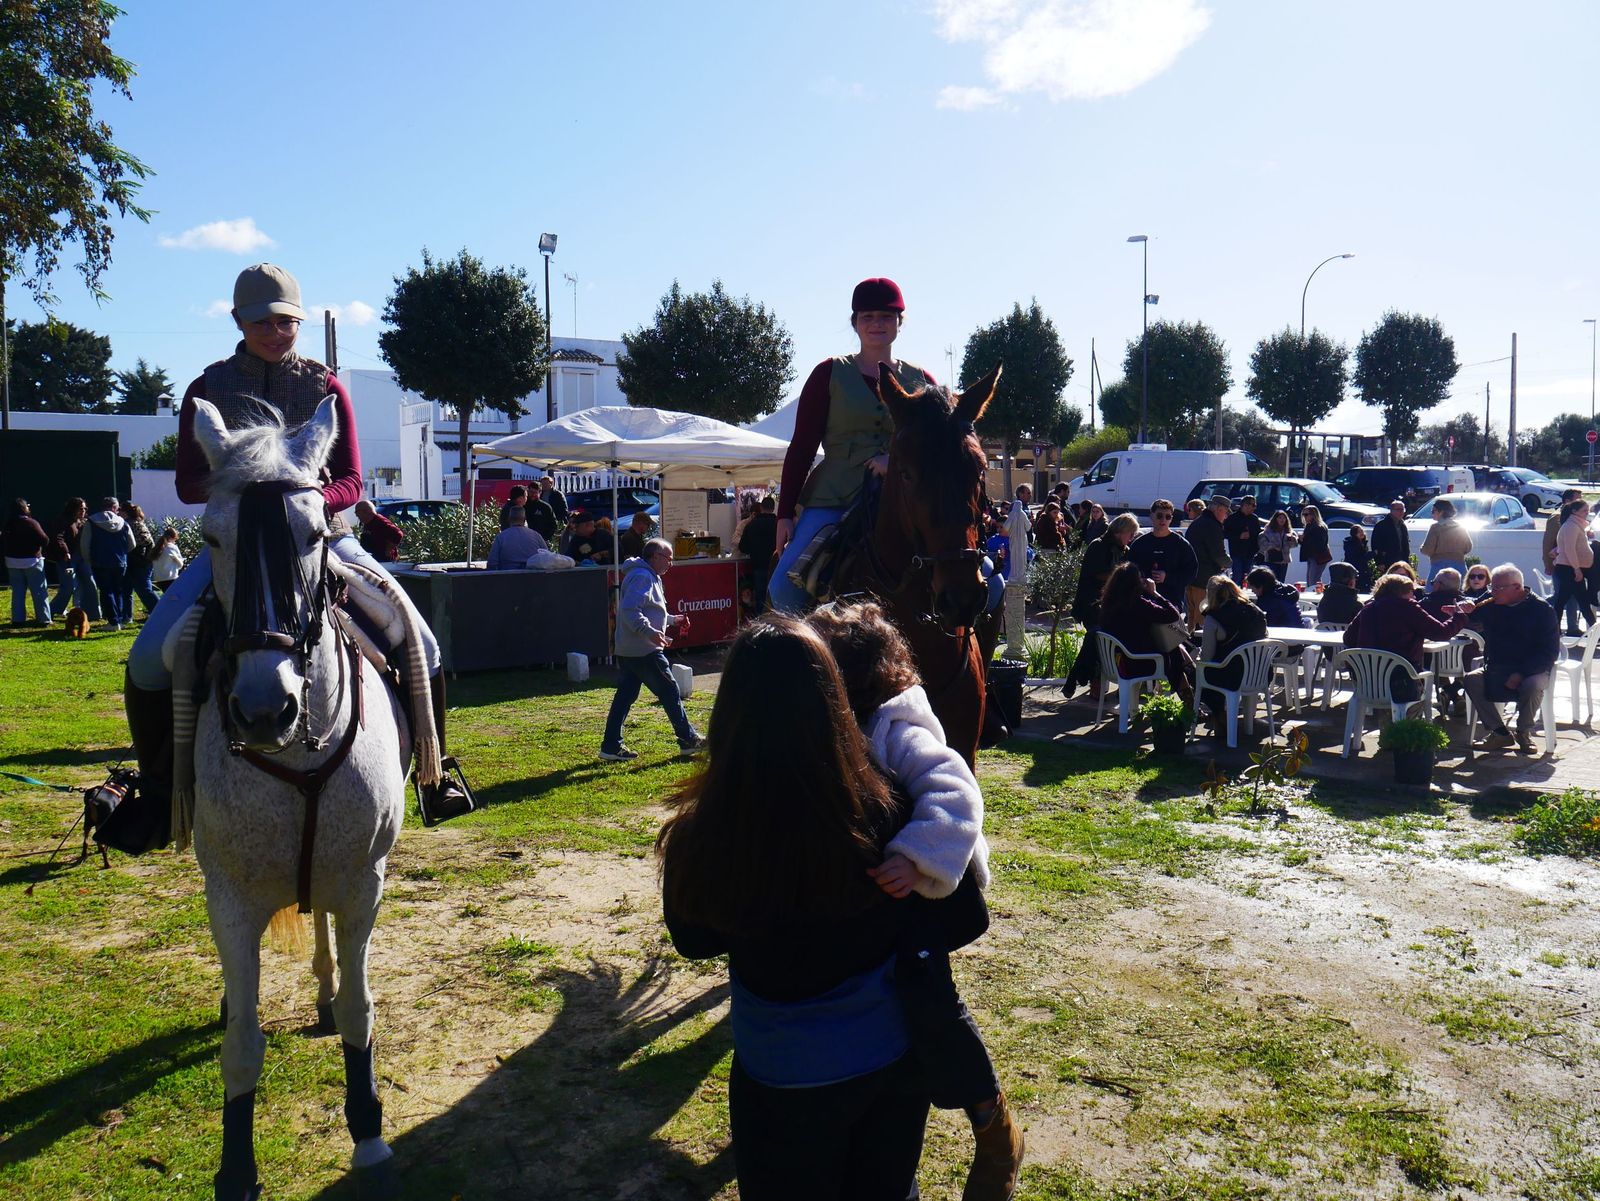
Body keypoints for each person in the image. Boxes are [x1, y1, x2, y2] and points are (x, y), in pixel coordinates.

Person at [129, 262, 470, 820]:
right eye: (262, 321)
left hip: (321, 538)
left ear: (298, 322)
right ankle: (157, 793)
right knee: (146, 659)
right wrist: (245, 490)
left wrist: (305, 503)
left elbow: (352, 481)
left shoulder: (325, 386)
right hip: (237, 547)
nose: (275, 331)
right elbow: (189, 484)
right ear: (239, 321)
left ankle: (436, 775)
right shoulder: (205, 389)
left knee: (423, 644)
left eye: (285, 321)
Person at [657, 617, 934, 1198]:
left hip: (780, 1071)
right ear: (834, 703)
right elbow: (954, 917)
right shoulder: (890, 807)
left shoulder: (703, 833)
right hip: (888, 1059)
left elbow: (694, 940)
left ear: (730, 712)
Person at [806, 600, 1021, 1199]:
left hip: (925, 888)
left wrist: (915, 855)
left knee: (930, 1003)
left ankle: (993, 1125)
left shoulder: (897, 728)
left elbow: (957, 792)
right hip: (882, 893)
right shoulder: (836, 722)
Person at [768, 277, 936, 613]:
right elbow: (802, 447)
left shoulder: (923, 381)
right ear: (855, 322)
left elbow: (937, 446)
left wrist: (895, 460)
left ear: (900, 322)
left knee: (985, 582)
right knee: (783, 589)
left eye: (886, 316)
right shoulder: (827, 374)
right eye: (867, 317)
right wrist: (784, 514)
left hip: (905, 499)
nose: (877, 324)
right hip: (834, 498)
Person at [601, 539, 705, 760]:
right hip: (645, 649)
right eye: (668, 558)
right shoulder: (643, 576)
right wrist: (650, 632)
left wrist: (673, 620)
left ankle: (610, 746)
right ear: (655, 556)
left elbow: (649, 610)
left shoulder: (644, 574)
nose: (670, 564)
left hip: (629, 649)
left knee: (625, 697)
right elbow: (630, 611)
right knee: (670, 691)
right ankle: (688, 739)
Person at [1464, 564, 1559, 753]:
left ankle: (1523, 732)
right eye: (1492, 587)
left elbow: (1548, 652)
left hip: (1532, 669)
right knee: (1471, 679)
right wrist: (1462, 609)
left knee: (1532, 685)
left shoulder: (1541, 609)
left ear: (1517, 587)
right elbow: (1472, 610)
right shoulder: (1492, 603)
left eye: (1498, 588)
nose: (1492, 592)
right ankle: (1499, 732)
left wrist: (1521, 673)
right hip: (1498, 666)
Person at [1343, 572, 1472, 704]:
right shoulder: (1409, 608)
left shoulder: (1368, 608)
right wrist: (1458, 617)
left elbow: (1348, 638)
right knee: (1422, 676)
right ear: (1402, 592)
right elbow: (1441, 633)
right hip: (1402, 684)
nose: (1414, 596)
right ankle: (1411, 715)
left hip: (1368, 683)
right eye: (1411, 591)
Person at [1065, 513, 1139, 697]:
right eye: (1130, 533)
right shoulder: (1098, 545)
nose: (1131, 538)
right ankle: (1093, 682)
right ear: (1120, 531)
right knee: (1098, 638)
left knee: (1096, 639)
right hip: (1091, 603)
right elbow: (1095, 573)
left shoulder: (1124, 550)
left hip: (1111, 606)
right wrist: (1120, 577)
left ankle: (1078, 676)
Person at [1099, 561, 1195, 699]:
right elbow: (1173, 615)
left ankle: (1192, 695)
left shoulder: (1107, 605)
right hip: (1138, 663)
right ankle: (1191, 698)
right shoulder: (1138, 604)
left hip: (1116, 662)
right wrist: (1154, 593)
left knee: (1175, 652)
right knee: (1173, 652)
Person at [1196, 575, 1268, 731]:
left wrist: (1197, 656)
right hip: (1260, 674)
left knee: (1198, 672)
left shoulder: (1214, 617)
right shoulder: (1256, 611)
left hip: (1231, 677)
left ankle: (1219, 715)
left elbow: (1207, 657)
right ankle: (1227, 718)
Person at [1127, 499, 1197, 611]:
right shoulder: (1139, 544)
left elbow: (1191, 573)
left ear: (1171, 519)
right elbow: (1128, 570)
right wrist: (1141, 580)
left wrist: (1167, 577)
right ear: (1151, 516)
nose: (1163, 520)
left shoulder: (1181, 544)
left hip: (1171, 601)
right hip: (1143, 601)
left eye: (1167, 517)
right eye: (1159, 516)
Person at [80, 495, 135, 631]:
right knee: (118, 590)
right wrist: (122, 552)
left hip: (99, 561)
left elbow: (85, 545)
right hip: (120, 561)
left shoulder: (91, 522)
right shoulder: (123, 523)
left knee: (106, 591)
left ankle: (113, 621)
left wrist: (89, 559)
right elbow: (132, 544)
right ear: (114, 507)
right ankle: (119, 620)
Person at [1184, 495, 1231, 629]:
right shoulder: (1212, 526)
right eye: (1226, 512)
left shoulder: (1198, 522)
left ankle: (1191, 640)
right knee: (1202, 618)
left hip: (1192, 577)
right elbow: (1218, 554)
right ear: (1219, 509)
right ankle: (1199, 641)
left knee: (1192, 617)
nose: (1226, 516)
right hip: (1204, 579)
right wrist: (1228, 563)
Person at [4, 498, 52, 626]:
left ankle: (18, 619)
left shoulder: (9, 524)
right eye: (27, 506)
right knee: (39, 591)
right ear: (24, 508)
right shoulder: (31, 523)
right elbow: (45, 540)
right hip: (32, 560)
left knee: (18, 591)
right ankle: (44, 619)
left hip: (12, 561)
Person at [1550, 497, 1594, 637]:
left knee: (1563, 600)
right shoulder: (1571, 526)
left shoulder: (1576, 525)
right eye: (1584, 510)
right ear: (1575, 511)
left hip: (1569, 568)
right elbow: (1569, 550)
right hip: (1568, 569)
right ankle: (1595, 632)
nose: (1587, 513)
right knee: (1581, 601)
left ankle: (1554, 631)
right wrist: (1576, 569)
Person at [54, 496, 99, 621]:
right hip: (68, 558)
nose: (83, 511)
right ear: (73, 509)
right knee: (68, 587)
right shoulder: (63, 521)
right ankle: (53, 610)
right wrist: (65, 551)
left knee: (90, 583)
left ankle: (93, 613)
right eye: (80, 509)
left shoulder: (84, 522)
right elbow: (59, 537)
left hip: (82, 557)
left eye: (85, 508)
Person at [737, 497, 779, 613]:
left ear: (761, 508)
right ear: (773, 508)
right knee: (775, 599)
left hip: (758, 567)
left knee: (760, 599)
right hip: (776, 567)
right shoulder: (778, 524)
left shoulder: (751, 525)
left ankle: (761, 621)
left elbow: (743, 547)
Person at [1419, 498, 1473, 582]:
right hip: (1459, 565)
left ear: (1441, 512)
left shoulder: (1435, 528)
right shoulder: (1460, 527)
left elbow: (1428, 550)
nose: (1432, 513)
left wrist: (1422, 548)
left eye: (1433, 511)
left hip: (1439, 567)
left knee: (1433, 589)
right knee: (1461, 588)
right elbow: (1468, 547)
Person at [121, 502, 160, 619]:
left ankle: (159, 610)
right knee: (138, 588)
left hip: (138, 562)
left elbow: (142, 542)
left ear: (125, 512)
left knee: (141, 589)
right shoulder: (138, 522)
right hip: (142, 561)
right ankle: (157, 610)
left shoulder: (129, 524)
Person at [1543, 488, 1585, 574]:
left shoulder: (1575, 515)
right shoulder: (1556, 518)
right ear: (1567, 501)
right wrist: (1548, 565)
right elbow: (1548, 544)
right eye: (1578, 500)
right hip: (1561, 565)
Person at [1223, 495, 1262, 582]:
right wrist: (1239, 536)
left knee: (1248, 580)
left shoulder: (1254, 519)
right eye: (1252, 505)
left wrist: (1257, 550)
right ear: (1244, 505)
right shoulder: (1232, 518)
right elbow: (1224, 533)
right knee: (1237, 577)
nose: (1254, 508)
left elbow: (1258, 535)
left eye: (1254, 505)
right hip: (1236, 553)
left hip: (1250, 554)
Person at [353, 499, 405, 564]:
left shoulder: (380, 522)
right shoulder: (368, 523)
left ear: (366, 511)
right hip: (373, 559)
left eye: (357, 512)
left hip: (383, 561)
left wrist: (389, 549)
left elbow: (398, 533)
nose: (356, 515)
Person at [1258, 510, 1299, 583]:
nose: (1282, 520)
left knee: (1281, 581)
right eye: (1280, 518)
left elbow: (1295, 545)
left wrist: (1291, 539)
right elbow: (1262, 546)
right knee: (1272, 581)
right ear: (1275, 519)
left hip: (1284, 561)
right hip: (1271, 560)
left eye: (1284, 518)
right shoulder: (1267, 532)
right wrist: (1273, 546)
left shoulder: (1289, 531)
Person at [1298, 505, 1332, 590]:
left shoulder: (1319, 527)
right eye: (1303, 514)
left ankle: (1313, 596)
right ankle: (1316, 595)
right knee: (1313, 580)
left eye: (1306, 514)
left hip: (1318, 557)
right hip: (1312, 556)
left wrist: (1303, 539)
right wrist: (1301, 539)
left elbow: (1319, 544)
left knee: (1312, 581)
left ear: (1313, 515)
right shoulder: (1309, 526)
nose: (1304, 517)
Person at [1372, 500, 1411, 572]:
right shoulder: (1381, 525)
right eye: (1398, 509)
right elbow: (1376, 545)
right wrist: (1379, 562)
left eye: (1402, 509)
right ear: (1391, 510)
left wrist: (1407, 561)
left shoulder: (1402, 525)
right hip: (1387, 561)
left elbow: (1405, 544)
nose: (1401, 512)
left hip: (1402, 561)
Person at [151, 527, 185, 593]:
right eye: (175, 539)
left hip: (159, 579)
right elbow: (180, 565)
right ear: (173, 538)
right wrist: (179, 560)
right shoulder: (172, 547)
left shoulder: (157, 547)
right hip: (170, 578)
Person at [1343, 524, 1376, 592]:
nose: (1361, 533)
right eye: (1359, 532)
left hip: (1362, 570)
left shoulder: (1363, 543)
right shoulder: (1351, 544)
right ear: (1354, 534)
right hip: (1355, 571)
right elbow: (1360, 558)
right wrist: (1373, 553)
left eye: (1362, 531)